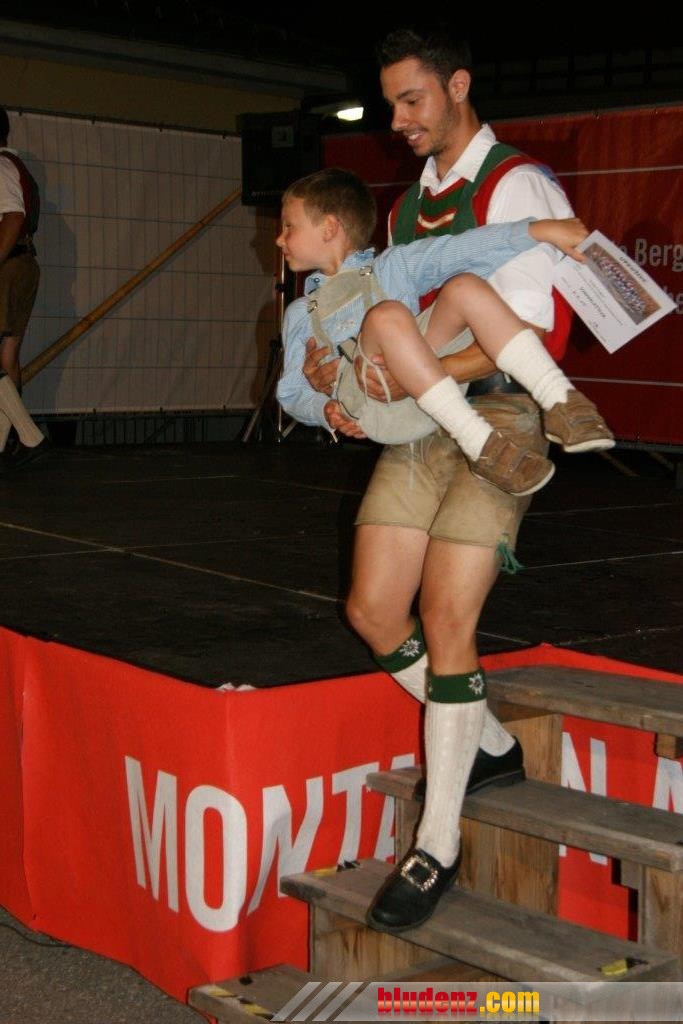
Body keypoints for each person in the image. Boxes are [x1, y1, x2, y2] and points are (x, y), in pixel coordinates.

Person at [301, 28, 593, 933]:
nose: (396, 121)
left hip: (502, 412)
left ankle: (436, 841)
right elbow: (388, 324)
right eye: (390, 104)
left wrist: (409, 374)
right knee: (371, 609)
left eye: (411, 100)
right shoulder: (407, 207)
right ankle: (489, 742)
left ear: (457, 85)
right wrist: (348, 383)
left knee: (446, 616)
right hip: (429, 414)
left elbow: (532, 332)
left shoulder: (517, 186)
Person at [277, 169, 611, 499]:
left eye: (289, 226)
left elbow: (461, 249)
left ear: (329, 228)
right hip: (371, 406)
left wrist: (537, 230)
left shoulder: (393, 266)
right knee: (387, 315)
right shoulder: (300, 313)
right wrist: (325, 410)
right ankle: (481, 443)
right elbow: (291, 392)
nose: (280, 239)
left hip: (422, 395)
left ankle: (561, 400)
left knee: (464, 286)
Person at [0, 106, 47, 469]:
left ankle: (29, 435)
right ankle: (3, 445)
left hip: (9, 265)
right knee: (7, 358)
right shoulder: (16, 166)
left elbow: (13, 216)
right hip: (22, 263)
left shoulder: (0, 166)